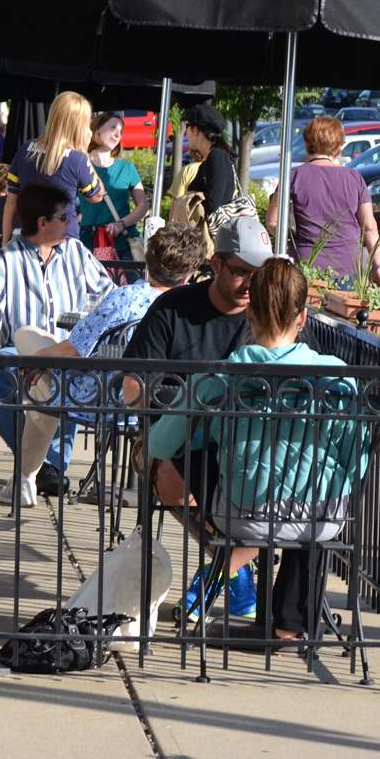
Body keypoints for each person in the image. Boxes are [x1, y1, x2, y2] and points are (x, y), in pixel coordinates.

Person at [147, 257, 365, 641]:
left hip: (244, 512)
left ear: (250, 315)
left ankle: (250, 591)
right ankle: (289, 626)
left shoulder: (220, 375)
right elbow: (355, 459)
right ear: (302, 318)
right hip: (322, 515)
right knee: (316, 480)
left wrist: (208, 436)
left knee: (196, 452)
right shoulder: (337, 377)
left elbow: (161, 443)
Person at [125, 215, 276, 617]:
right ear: (216, 265)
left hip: (246, 445)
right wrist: (169, 413)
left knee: (283, 488)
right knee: (174, 481)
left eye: (258, 274)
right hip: (171, 438)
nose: (250, 284)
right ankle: (235, 566)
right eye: (241, 272)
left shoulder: (269, 318)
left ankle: (225, 569)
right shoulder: (174, 308)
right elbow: (133, 386)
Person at [12, 224, 207, 506]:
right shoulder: (190, 309)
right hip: (153, 403)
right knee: (43, 389)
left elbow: (73, 349)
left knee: (27, 343)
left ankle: (24, 478)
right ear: (189, 272)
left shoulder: (125, 298)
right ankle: (23, 479)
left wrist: (34, 362)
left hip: (96, 397)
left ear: (149, 261)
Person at [0, 184, 114, 500]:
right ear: (43, 222)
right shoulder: (6, 260)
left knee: (67, 374)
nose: (72, 221)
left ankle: (43, 469)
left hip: (67, 352)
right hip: (23, 354)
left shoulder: (76, 253)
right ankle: (42, 466)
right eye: (65, 216)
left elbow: (109, 298)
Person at [264, 115, 380, 286]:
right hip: (348, 267)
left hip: (307, 266)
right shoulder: (355, 178)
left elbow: (272, 222)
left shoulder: (292, 176)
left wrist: (292, 241)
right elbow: (370, 229)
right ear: (339, 147)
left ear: (307, 144)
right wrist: (377, 267)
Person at [4, 91, 105, 245]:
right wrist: (84, 150)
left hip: (28, 239)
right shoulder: (77, 159)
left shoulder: (25, 150)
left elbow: (11, 202)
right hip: (63, 240)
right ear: (78, 125)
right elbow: (97, 196)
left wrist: (5, 241)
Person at [79, 112, 150, 261]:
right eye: (113, 128)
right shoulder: (80, 163)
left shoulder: (126, 167)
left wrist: (122, 224)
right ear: (97, 129)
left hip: (121, 246)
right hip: (85, 246)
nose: (118, 134)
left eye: (121, 131)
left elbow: (143, 206)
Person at [185, 104, 237, 217]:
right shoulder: (208, 161)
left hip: (218, 233)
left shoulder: (217, 156)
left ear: (195, 130)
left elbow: (213, 204)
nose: (185, 133)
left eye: (186, 127)